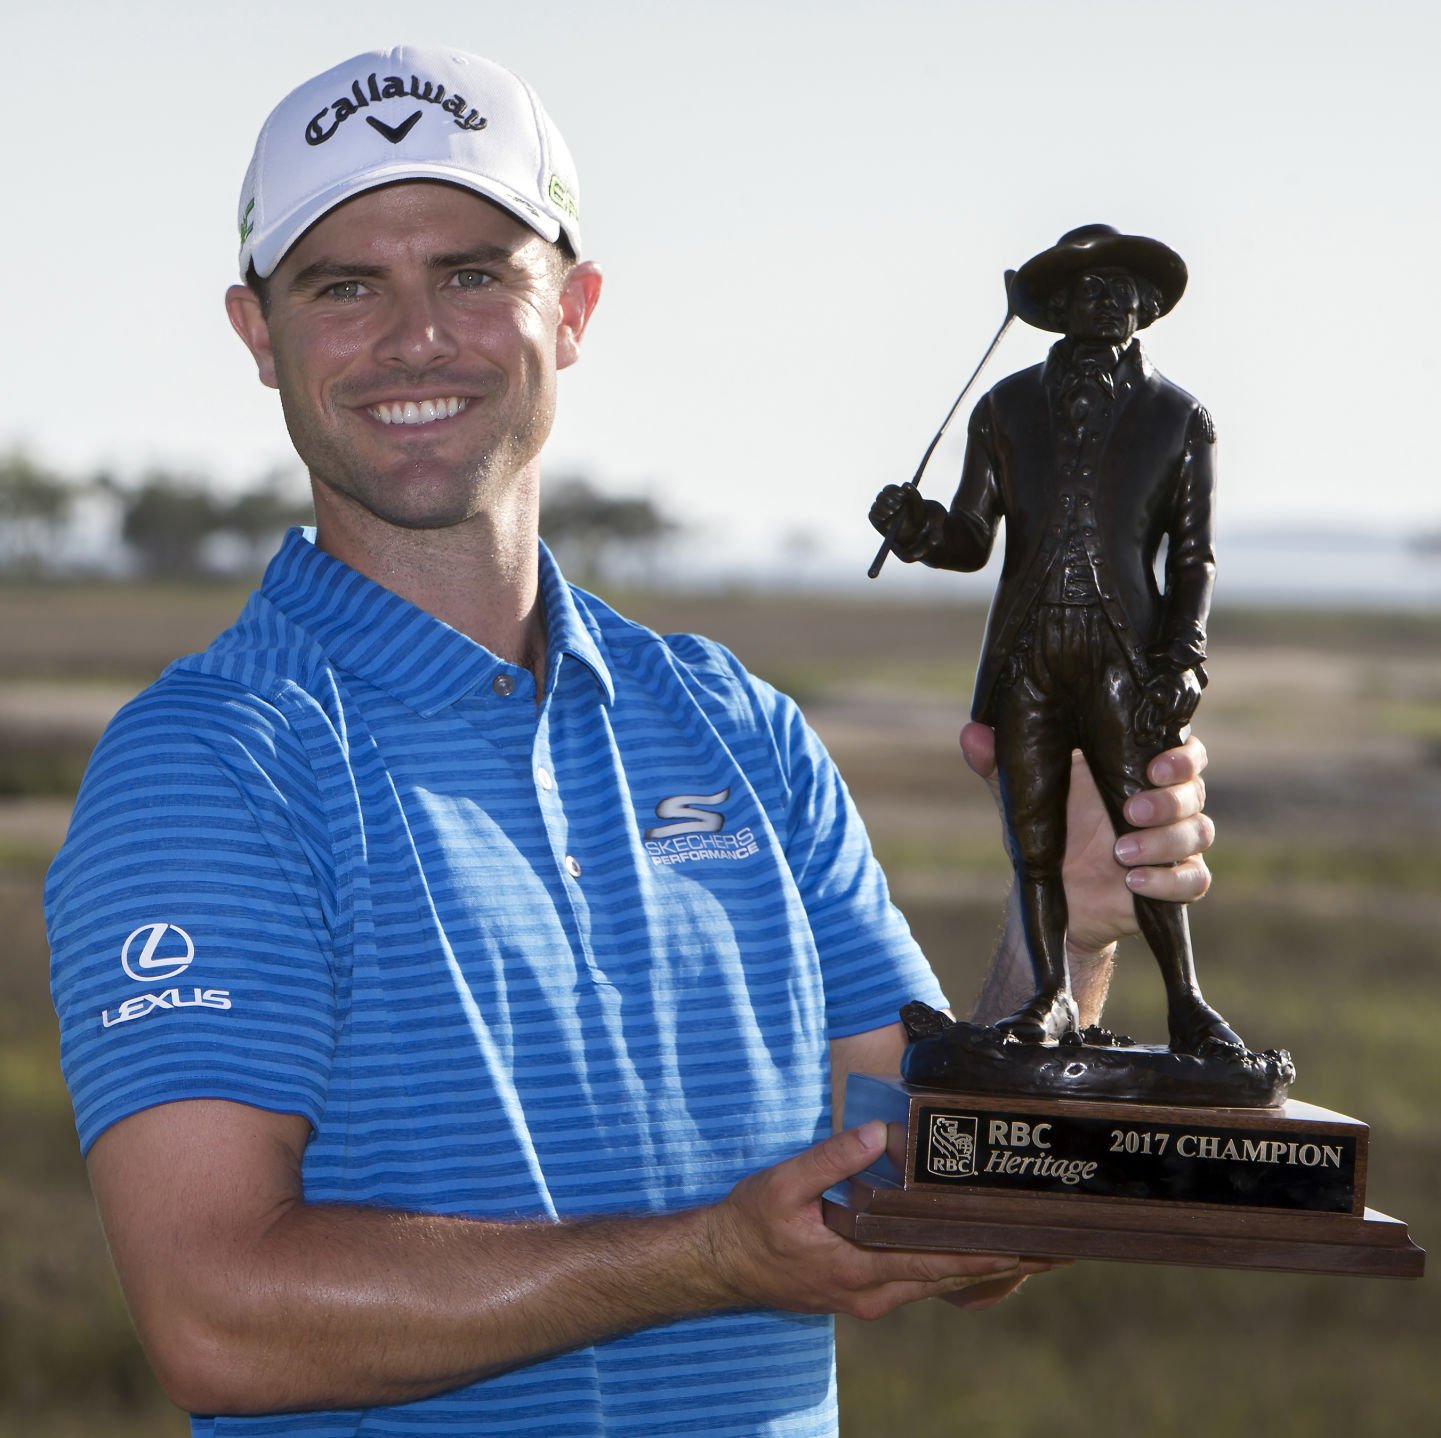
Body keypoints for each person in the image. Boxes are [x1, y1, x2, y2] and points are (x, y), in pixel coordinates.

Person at [46, 55, 1215, 1437]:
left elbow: (924, 1165)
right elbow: (217, 1314)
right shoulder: (206, 763)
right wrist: (709, 1255)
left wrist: (1072, 935)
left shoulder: (736, 724)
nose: (415, 335)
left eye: (477, 274)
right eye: (344, 284)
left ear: (576, 308)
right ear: (257, 333)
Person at [870, 224, 1237, 1054]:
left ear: (1148, 307)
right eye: (1087, 287)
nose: (1107, 300)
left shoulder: (1180, 417)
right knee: (1034, 841)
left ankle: (1187, 1005)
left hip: (1124, 658)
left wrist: (1183, 656)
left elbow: (1192, 555)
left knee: (1141, 835)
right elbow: (971, 539)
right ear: (1057, 307)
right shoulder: (1002, 408)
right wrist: (919, 528)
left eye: (1124, 288)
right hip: (1027, 655)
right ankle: (1048, 997)